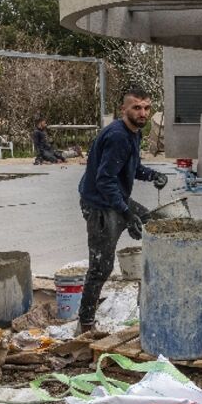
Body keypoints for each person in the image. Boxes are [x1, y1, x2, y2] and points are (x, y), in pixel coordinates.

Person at [76, 89, 168, 331]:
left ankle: (154, 294)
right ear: (123, 110)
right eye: (136, 107)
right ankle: (85, 324)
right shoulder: (117, 136)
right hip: (99, 204)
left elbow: (132, 167)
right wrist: (126, 214)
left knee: (153, 222)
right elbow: (104, 180)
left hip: (114, 198)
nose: (143, 113)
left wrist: (154, 175)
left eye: (146, 108)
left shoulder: (134, 133)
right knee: (101, 267)